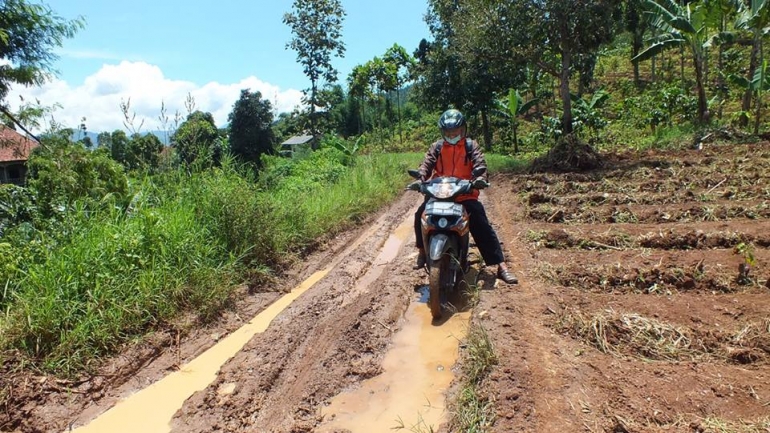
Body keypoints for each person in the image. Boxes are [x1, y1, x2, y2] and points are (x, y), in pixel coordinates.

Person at [412, 109, 518, 285]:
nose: (452, 135)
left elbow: (480, 164)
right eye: (448, 132)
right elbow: (426, 164)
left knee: (481, 223)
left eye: (455, 132)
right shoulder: (437, 147)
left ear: (463, 130)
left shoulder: (471, 146)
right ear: (443, 132)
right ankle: (423, 251)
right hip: (440, 194)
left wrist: (480, 179)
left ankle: (501, 265)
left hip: (464, 194)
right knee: (420, 215)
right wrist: (420, 178)